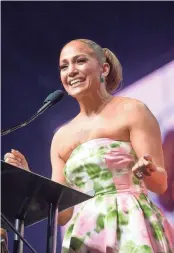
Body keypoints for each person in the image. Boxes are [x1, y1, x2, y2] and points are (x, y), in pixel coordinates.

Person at [4, 39, 174, 253]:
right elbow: (63, 214)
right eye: (64, 66)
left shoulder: (133, 110)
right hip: (85, 237)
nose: (71, 71)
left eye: (80, 61)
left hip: (131, 225)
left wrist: (148, 171)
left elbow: (160, 185)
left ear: (104, 68)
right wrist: (29, 181)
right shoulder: (61, 137)